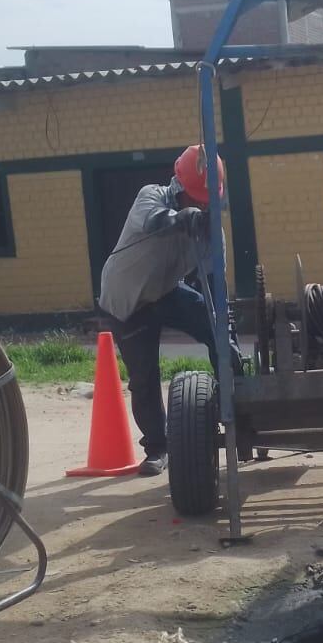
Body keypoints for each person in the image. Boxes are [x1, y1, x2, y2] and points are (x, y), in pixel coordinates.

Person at [98, 144, 240, 476]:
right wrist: (179, 219)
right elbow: (152, 221)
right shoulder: (151, 197)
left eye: (206, 200)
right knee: (144, 377)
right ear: (180, 186)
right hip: (127, 299)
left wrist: (225, 332)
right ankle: (157, 448)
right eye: (196, 198)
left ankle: (233, 404)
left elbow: (214, 286)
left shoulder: (209, 231)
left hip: (166, 291)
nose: (202, 205)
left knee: (213, 327)